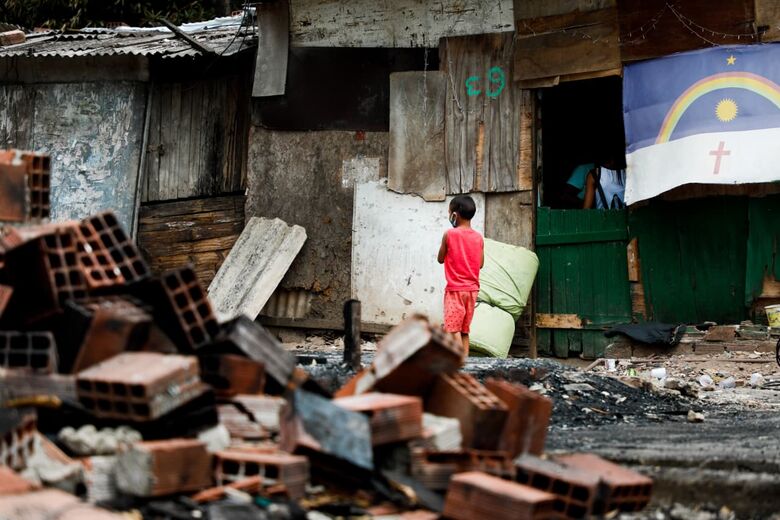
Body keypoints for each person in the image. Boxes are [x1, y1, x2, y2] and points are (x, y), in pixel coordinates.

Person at [437, 195, 484, 357]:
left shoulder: (449, 234)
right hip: (472, 291)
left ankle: (459, 363)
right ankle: (466, 363)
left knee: (452, 330)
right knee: (464, 331)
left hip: (455, 290)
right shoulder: (478, 237)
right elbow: (480, 264)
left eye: (449, 212)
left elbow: (440, 259)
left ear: (454, 215)